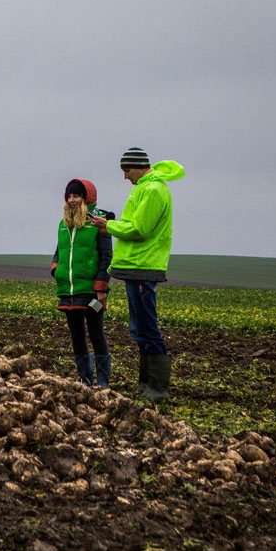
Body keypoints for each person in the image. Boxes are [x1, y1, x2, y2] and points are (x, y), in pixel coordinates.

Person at [87, 147, 185, 401]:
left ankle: (157, 389)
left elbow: (140, 229)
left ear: (139, 167)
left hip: (144, 266)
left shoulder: (152, 190)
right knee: (139, 328)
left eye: (126, 170)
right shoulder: (143, 188)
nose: (125, 176)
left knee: (147, 327)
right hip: (136, 266)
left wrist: (107, 225)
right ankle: (146, 385)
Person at [51, 179, 114, 387]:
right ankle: (84, 380)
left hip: (91, 290)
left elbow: (106, 257)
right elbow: (60, 251)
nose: (72, 200)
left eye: (76, 196)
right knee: (76, 335)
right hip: (68, 289)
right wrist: (56, 269)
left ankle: (103, 383)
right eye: (69, 196)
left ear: (86, 198)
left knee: (96, 333)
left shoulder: (98, 224)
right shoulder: (64, 224)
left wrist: (101, 287)